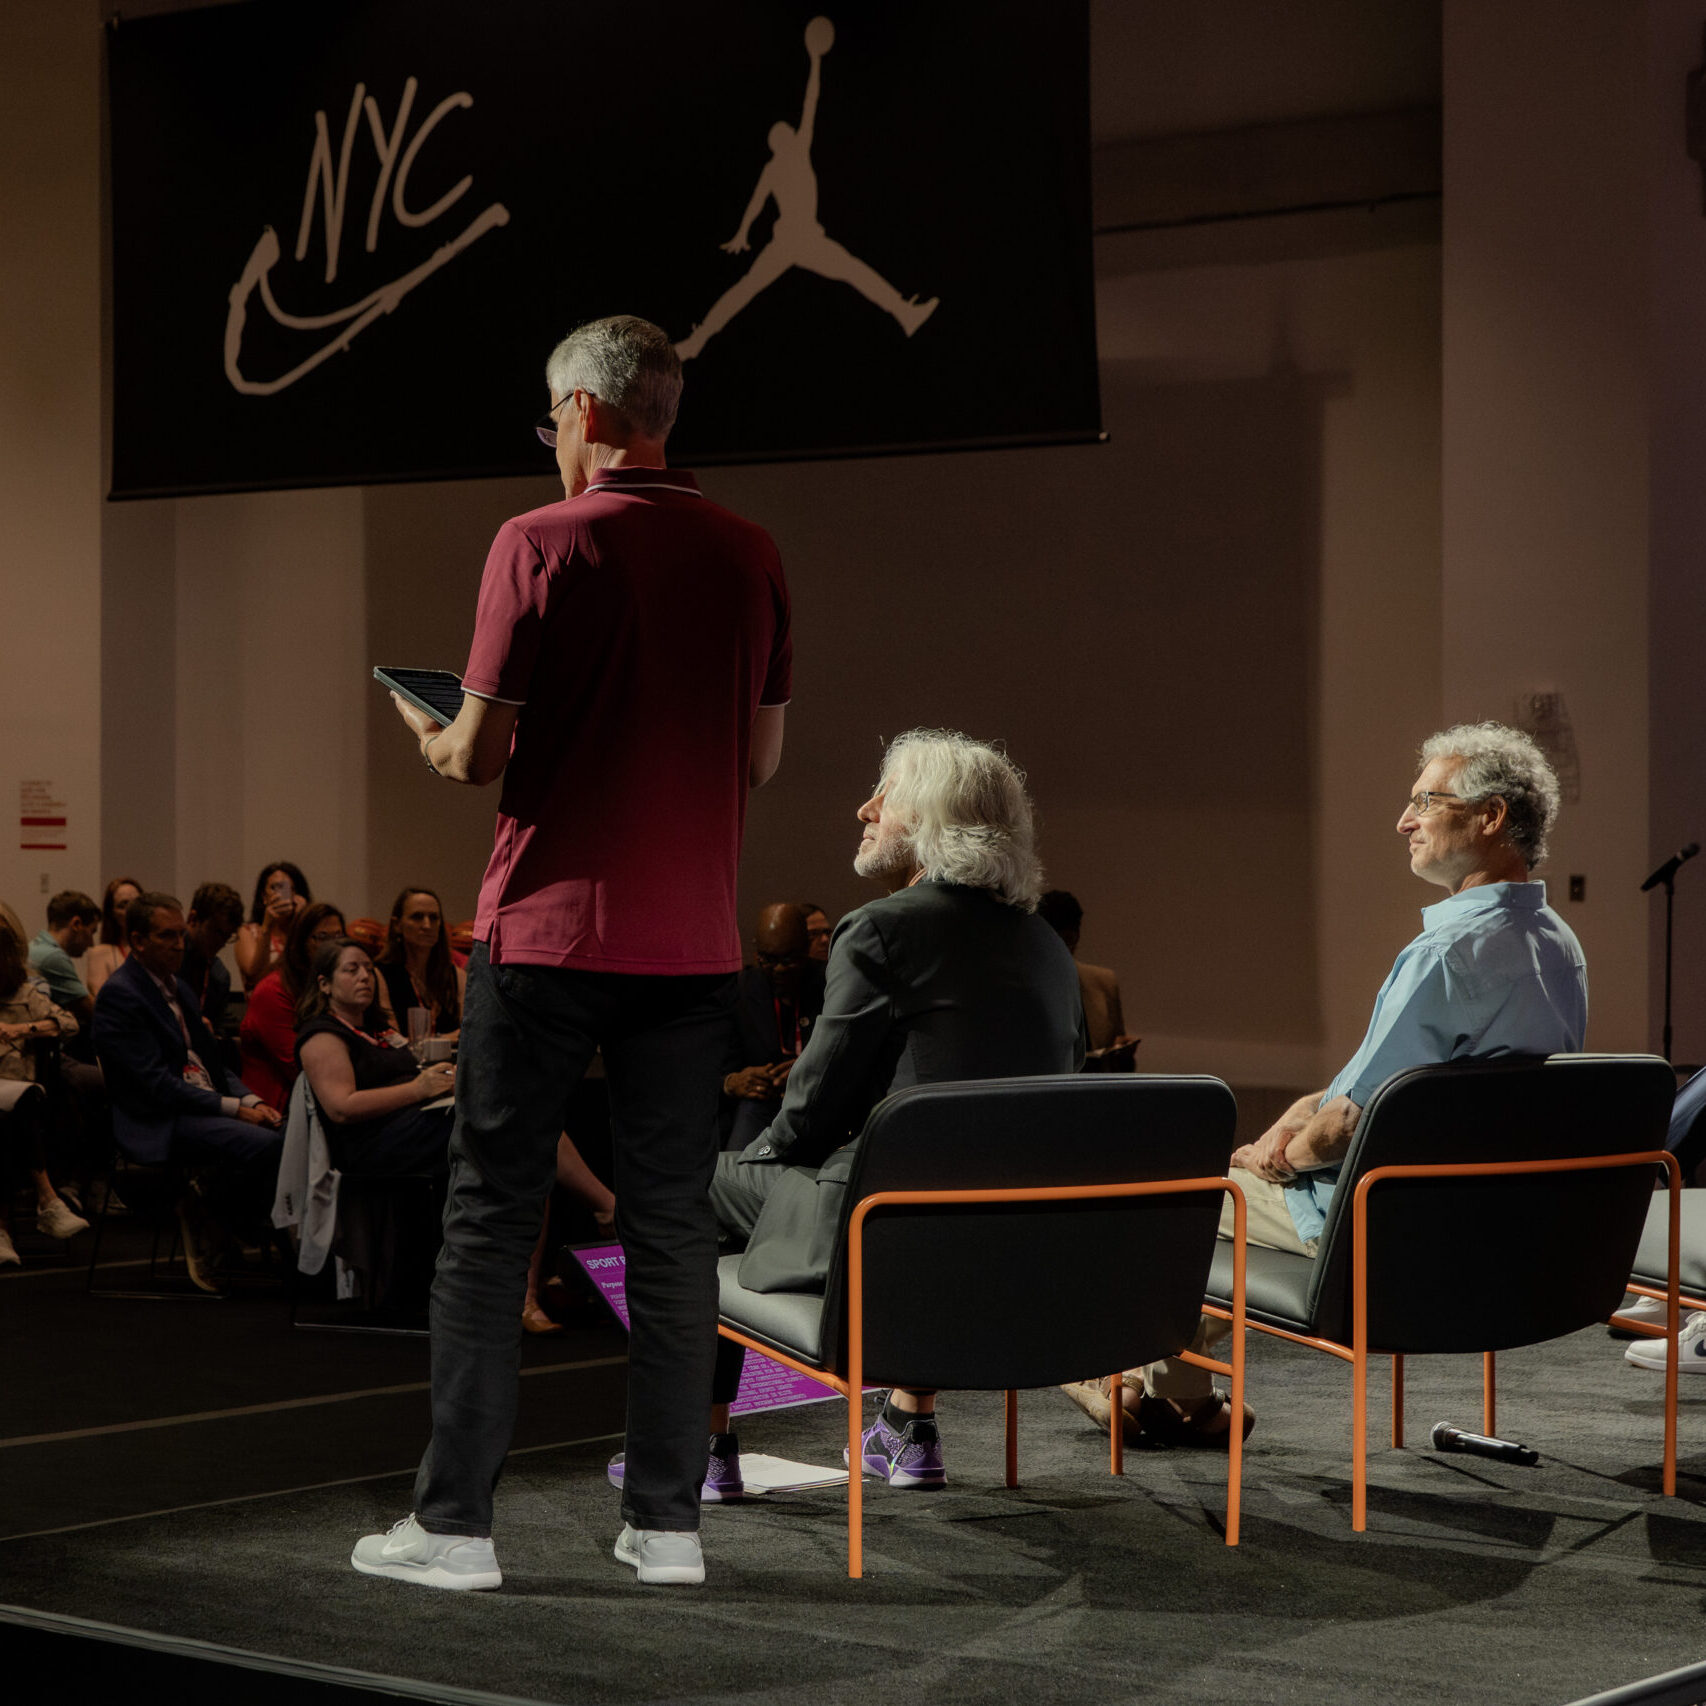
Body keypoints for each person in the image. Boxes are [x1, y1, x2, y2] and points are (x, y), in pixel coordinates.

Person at [353, 313, 790, 1591]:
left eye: (549, 418)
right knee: (669, 1232)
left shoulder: (536, 543)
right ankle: (665, 1527)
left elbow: (479, 755)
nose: (548, 440)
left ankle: (453, 1529)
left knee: (489, 1220)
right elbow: (760, 758)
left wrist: (421, 727)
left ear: (587, 413)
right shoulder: (753, 552)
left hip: (545, 932)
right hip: (692, 941)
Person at [1065, 722, 1588, 1448]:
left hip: (1389, 1229)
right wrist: (1302, 1119)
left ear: (1491, 816)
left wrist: (1274, 1156)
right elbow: (1400, 1093)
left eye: (1425, 802)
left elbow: (1349, 1126)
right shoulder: (1559, 945)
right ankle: (1179, 1392)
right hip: (1496, 1228)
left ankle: (1130, 1376)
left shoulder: (1445, 952)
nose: (1403, 821)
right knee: (1238, 1208)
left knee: (1171, 1196)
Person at [674, 731, 1082, 1499]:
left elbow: (812, 1109)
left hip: (879, 1232)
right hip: (1015, 1247)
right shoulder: (1045, 946)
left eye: (882, 797)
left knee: (687, 1183)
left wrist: (761, 1161)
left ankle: (697, 1449)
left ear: (929, 819)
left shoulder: (881, 928)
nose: (863, 809)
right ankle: (907, 1426)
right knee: (932, 1169)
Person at [92, 892, 285, 1290]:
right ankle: (218, 1214)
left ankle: (220, 1210)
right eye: (167, 936)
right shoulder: (121, 994)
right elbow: (155, 1085)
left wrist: (253, 1099)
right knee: (267, 1145)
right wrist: (233, 1109)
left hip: (195, 1104)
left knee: (286, 1132)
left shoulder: (176, 987)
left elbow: (210, 1063)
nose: (180, 944)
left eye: (181, 934)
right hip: (157, 1117)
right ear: (139, 940)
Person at [295, 940, 457, 1178]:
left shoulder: (378, 1028)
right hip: (370, 1143)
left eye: (369, 969)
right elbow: (342, 1107)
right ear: (325, 984)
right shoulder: (322, 1035)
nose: (365, 977)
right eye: (352, 970)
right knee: (466, 1126)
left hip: (412, 1123)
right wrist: (418, 1089)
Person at [0, 917, 91, 1265]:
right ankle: (48, 1199)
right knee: (13, 1116)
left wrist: (23, 1028)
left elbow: (68, 1023)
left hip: (17, 1092)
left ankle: (3, 1228)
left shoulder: (25, 995)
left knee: (13, 1113)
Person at [720, 902, 825, 1149]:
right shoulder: (740, 990)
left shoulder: (831, 983)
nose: (778, 969)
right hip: (760, 1102)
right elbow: (712, 1066)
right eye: (768, 959)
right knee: (734, 1166)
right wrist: (732, 1081)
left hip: (818, 1100)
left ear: (805, 949)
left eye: (789, 960)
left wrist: (810, 1070)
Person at [240, 903, 347, 1111]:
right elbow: (300, 1067)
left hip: (326, 1097)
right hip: (280, 1111)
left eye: (339, 938)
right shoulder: (272, 991)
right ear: (300, 944)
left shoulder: (332, 985)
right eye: (323, 938)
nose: (334, 948)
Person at [1036, 889, 1139, 1068]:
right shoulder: (1029, 984)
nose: (1065, 950)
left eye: (1070, 940)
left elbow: (1119, 1058)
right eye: (1058, 942)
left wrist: (1122, 1051)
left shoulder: (1103, 982)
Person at [374, 887, 467, 1040]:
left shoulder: (457, 976)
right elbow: (392, 1038)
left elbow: (469, 1032)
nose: (427, 925)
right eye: (417, 917)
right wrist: (446, 1039)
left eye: (434, 918)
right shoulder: (380, 974)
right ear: (397, 925)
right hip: (405, 1062)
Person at [180, 882, 245, 1040]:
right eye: (216, 932)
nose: (221, 943)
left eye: (227, 937)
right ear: (193, 919)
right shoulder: (166, 957)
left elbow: (217, 1027)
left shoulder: (219, 975)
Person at [28, 890, 101, 1031]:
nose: (92, 943)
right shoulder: (53, 957)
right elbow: (93, 1011)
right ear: (76, 924)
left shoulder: (36, 947)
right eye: (92, 932)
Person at [235, 861, 311, 992]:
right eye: (275, 888)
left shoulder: (308, 932)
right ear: (264, 896)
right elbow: (255, 977)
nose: (281, 895)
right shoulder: (248, 932)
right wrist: (267, 925)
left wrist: (302, 922)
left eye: (289, 889)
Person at [83, 876, 142, 999]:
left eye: (137, 903)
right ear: (112, 913)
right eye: (123, 905)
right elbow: (104, 1001)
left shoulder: (155, 949)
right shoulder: (99, 953)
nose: (131, 910)